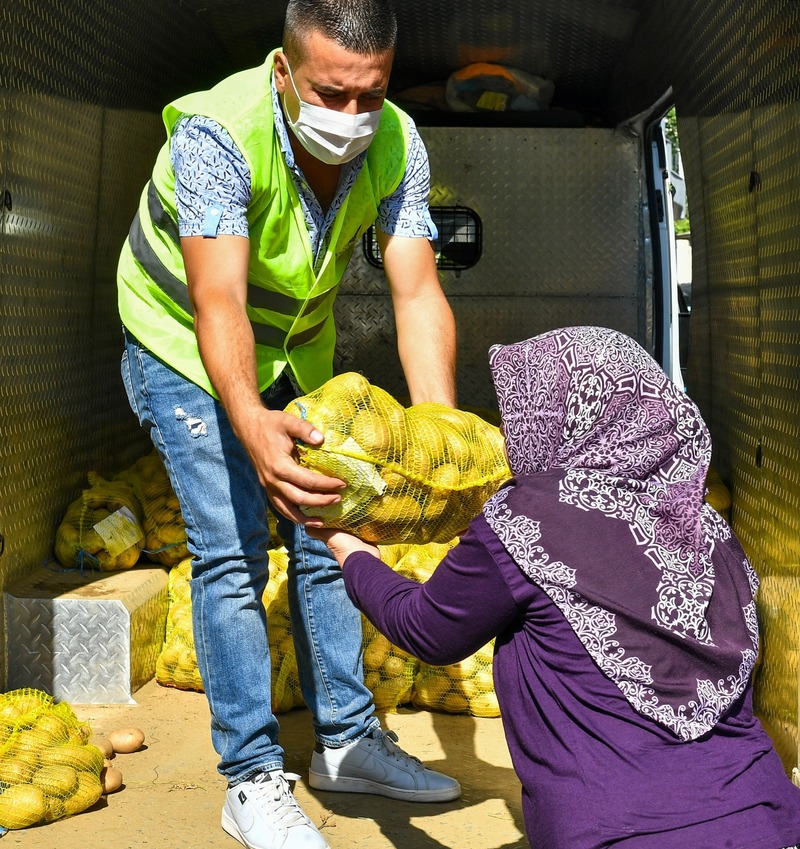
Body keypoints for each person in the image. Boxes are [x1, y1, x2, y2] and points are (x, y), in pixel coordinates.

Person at [116, 1, 461, 847]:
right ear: (283, 70)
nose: (351, 115)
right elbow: (218, 298)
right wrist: (250, 420)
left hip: (296, 349)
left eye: (369, 94)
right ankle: (251, 779)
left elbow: (416, 290)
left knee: (330, 526)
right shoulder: (217, 134)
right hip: (182, 340)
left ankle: (346, 741)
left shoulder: (399, 142)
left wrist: (441, 437)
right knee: (231, 544)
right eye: (330, 93)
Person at [317, 325, 800, 849]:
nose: (513, 432)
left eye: (523, 414)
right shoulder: (710, 530)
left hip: (618, 833)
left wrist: (351, 552)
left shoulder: (527, 518)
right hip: (771, 819)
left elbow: (427, 630)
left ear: (560, 418)